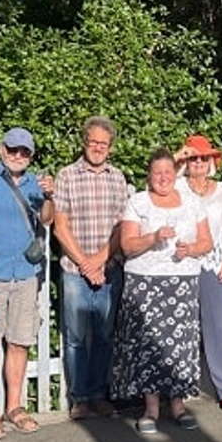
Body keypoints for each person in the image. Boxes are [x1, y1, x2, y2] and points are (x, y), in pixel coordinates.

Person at [114, 149, 213, 434]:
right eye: (157, 173)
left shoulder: (192, 203)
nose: (163, 178)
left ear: (175, 174)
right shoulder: (138, 202)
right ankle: (151, 408)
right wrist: (153, 237)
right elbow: (127, 245)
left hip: (181, 281)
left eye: (168, 172)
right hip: (146, 281)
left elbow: (206, 242)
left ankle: (179, 406)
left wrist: (190, 249)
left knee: (179, 345)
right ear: (149, 175)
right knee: (148, 345)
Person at [53, 116, 130, 420]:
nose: (98, 147)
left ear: (110, 147)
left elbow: (122, 227)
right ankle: (79, 397)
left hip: (109, 268)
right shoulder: (67, 175)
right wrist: (85, 263)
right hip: (75, 270)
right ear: (84, 142)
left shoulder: (118, 177)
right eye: (93, 142)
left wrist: (99, 261)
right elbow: (61, 227)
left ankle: (99, 393)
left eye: (103, 143)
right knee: (75, 337)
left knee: (104, 335)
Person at [0, 128, 54, 436]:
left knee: (20, 341)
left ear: (31, 155)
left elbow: (48, 219)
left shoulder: (37, 183)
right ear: (1, 148)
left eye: (24, 152)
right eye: (13, 149)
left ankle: (14, 406)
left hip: (24, 272)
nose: (17, 156)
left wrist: (50, 196)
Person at [174, 135, 222, 410]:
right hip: (181, 264)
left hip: (213, 264)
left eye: (203, 157)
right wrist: (177, 156)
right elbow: (152, 187)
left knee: (220, 327)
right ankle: (180, 386)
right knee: (180, 327)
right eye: (193, 158)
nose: (198, 162)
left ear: (212, 162)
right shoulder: (176, 187)